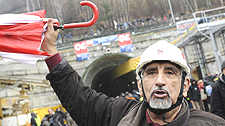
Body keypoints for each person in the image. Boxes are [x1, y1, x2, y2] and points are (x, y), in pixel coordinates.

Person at [41, 19, 225, 125]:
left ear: (185, 86)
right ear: (139, 84)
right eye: (151, 72)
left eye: (169, 72)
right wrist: (50, 49)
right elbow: (81, 99)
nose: (160, 80)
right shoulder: (118, 114)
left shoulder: (211, 124)